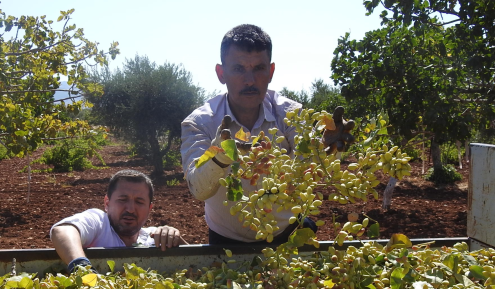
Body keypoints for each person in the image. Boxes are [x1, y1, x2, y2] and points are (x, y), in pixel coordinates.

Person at [181, 24, 317, 245]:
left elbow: (310, 167)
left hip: (289, 234)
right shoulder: (200, 123)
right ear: (221, 73)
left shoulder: (291, 114)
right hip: (227, 241)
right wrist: (221, 154)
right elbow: (198, 188)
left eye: (258, 68)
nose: (250, 80)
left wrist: (327, 149)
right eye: (238, 69)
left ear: (271, 72)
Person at [50, 169, 186, 273]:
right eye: (122, 200)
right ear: (107, 203)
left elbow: (194, 264)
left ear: (149, 208)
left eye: (139, 202)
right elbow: (63, 230)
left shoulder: (154, 238)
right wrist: (83, 270)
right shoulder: (99, 222)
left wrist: (176, 239)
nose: (131, 209)